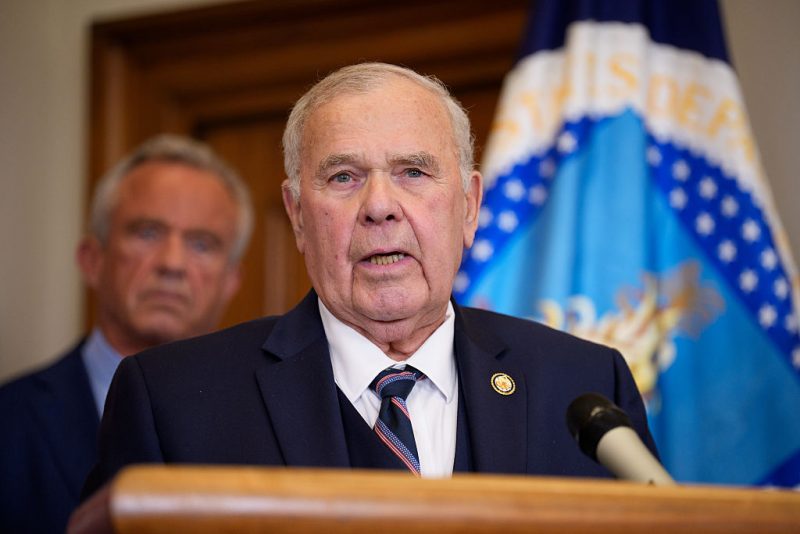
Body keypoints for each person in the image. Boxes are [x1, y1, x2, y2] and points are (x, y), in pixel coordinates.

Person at [82, 63, 657, 498]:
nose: (380, 206)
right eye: (343, 176)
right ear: (298, 215)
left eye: (413, 172)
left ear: (470, 207)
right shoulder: (171, 401)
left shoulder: (584, 385)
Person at [0, 134, 253, 534]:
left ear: (230, 282)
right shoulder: (8, 421)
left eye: (202, 244)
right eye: (147, 233)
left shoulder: (264, 425)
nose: (172, 264)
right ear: (92, 260)